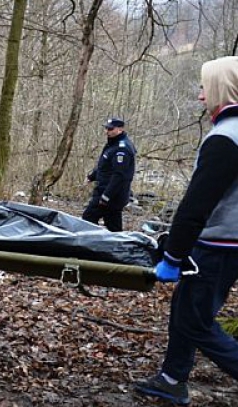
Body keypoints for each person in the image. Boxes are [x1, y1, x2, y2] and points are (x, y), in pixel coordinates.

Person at [135, 56, 238, 405]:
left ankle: (173, 378)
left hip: (217, 246)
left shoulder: (225, 138)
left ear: (222, 87)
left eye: (204, 87)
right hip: (228, 244)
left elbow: (195, 207)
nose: (200, 96)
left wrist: (174, 255)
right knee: (186, 311)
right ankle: (171, 377)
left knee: (195, 322)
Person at [81, 117, 136, 232]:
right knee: (113, 226)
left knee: (88, 219)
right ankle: (117, 246)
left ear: (120, 129)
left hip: (111, 194)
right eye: (106, 128)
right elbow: (104, 166)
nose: (107, 131)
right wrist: (91, 177)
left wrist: (106, 196)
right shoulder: (112, 144)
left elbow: (119, 176)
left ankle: (92, 245)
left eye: (110, 129)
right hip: (107, 192)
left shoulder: (122, 149)